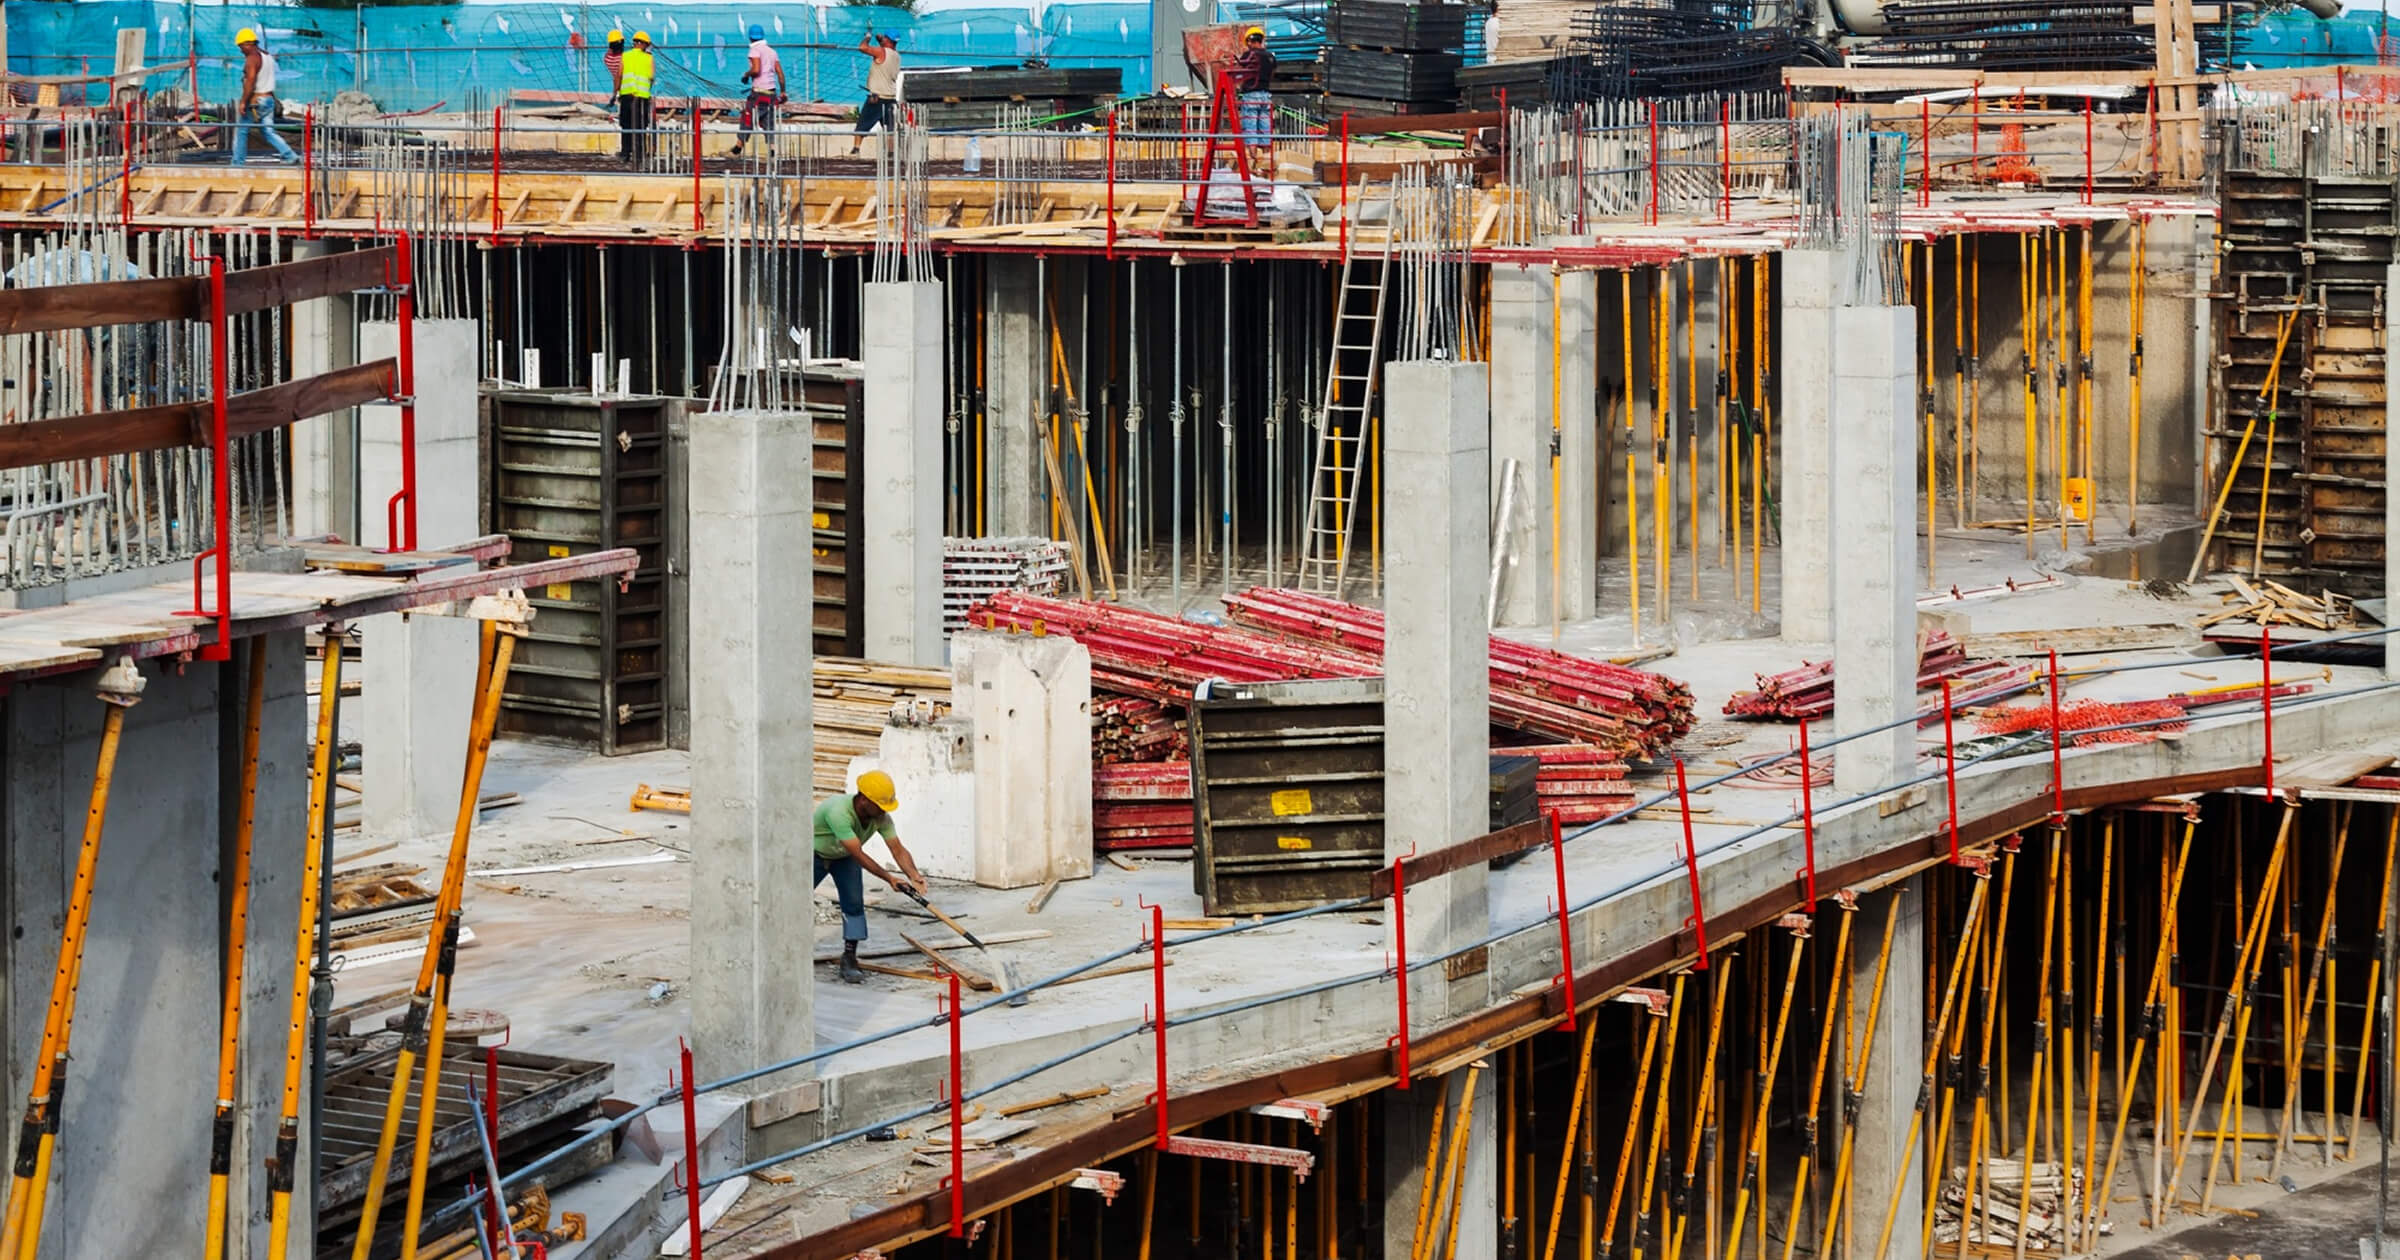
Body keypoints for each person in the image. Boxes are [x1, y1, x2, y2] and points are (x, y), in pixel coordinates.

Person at [812, 770, 926, 984]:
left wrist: (914, 875)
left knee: (854, 904)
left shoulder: (880, 817)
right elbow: (859, 854)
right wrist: (890, 878)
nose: (883, 810)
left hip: (844, 857)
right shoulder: (838, 811)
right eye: (880, 805)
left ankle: (849, 957)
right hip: (813, 855)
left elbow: (897, 849)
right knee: (793, 902)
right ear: (864, 799)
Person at [231, 28, 299, 167]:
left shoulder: (252, 58)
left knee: (242, 131)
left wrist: (243, 102)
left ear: (247, 44)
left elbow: (250, 80)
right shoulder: (267, 56)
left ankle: (237, 163)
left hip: (256, 101)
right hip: (268, 99)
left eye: (241, 46)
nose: (241, 50)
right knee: (268, 131)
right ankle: (290, 155)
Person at [1229, 26, 1276, 170]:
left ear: (1250, 41)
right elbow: (1271, 74)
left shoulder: (1248, 55)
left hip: (1251, 95)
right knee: (1265, 127)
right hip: (1266, 95)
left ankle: (1252, 163)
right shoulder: (1270, 56)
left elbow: (1241, 73)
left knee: (1250, 127)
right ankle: (1267, 161)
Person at [850, 33, 901, 157]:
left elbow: (862, 47)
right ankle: (891, 153)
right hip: (890, 98)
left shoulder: (881, 52)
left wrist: (867, 37)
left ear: (887, 39)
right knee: (889, 128)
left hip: (877, 98)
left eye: (884, 37)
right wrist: (880, 40)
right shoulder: (896, 55)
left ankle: (856, 150)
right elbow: (885, 49)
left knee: (862, 125)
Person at [739, 24, 784, 153]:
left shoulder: (754, 50)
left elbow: (756, 69)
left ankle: (738, 148)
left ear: (750, 37)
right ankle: (772, 150)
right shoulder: (772, 52)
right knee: (769, 123)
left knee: (747, 118)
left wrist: (746, 75)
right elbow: (780, 73)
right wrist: (783, 92)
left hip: (758, 93)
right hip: (771, 93)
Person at [619, 31, 656, 166]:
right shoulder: (649, 58)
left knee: (626, 125)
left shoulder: (625, 56)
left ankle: (625, 153)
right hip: (642, 97)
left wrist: (618, 91)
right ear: (644, 44)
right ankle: (640, 154)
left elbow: (619, 74)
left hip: (627, 95)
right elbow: (651, 77)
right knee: (641, 126)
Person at [603, 30, 629, 159]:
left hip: (620, 92)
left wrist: (614, 94)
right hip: (628, 90)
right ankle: (629, 150)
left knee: (625, 123)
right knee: (631, 123)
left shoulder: (607, 58)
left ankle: (625, 150)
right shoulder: (625, 58)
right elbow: (619, 75)